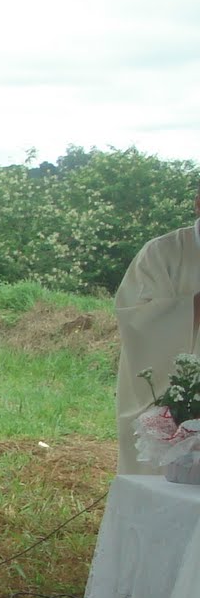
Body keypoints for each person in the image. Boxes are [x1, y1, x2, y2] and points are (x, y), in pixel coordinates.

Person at [114, 183, 200, 473]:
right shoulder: (161, 253)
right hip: (168, 390)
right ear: (198, 203)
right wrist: (192, 307)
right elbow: (137, 321)